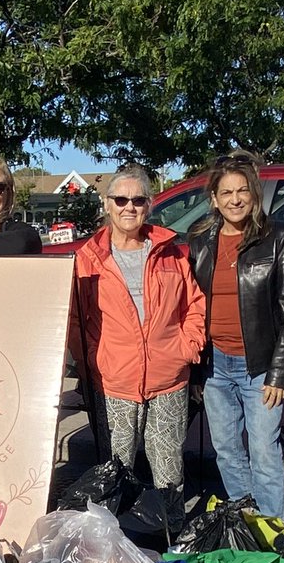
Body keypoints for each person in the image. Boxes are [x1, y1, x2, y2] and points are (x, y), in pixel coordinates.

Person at [72, 164, 206, 525]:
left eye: (138, 199)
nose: (129, 207)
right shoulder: (87, 259)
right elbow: (77, 321)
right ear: (107, 204)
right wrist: (92, 358)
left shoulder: (170, 253)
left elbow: (194, 304)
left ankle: (172, 541)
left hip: (168, 378)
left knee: (169, 473)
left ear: (149, 205)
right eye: (121, 199)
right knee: (113, 473)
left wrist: (186, 348)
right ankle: (111, 546)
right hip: (114, 381)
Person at [188, 153, 284, 519]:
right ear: (214, 198)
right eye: (226, 192)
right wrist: (195, 367)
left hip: (260, 368)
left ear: (254, 194)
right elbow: (192, 305)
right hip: (215, 367)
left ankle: (272, 539)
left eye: (242, 191)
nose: (235, 199)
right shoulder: (201, 241)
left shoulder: (278, 238)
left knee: (264, 452)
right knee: (226, 451)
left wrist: (280, 373)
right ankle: (246, 522)